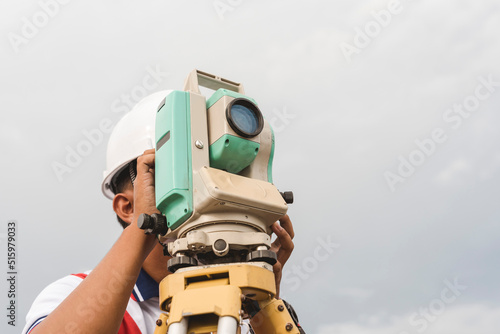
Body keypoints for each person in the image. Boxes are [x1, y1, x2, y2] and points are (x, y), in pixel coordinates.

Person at [22, 90, 296, 334]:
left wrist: (258, 301)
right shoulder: (73, 294)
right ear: (127, 207)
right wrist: (143, 229)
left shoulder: (246, 311)